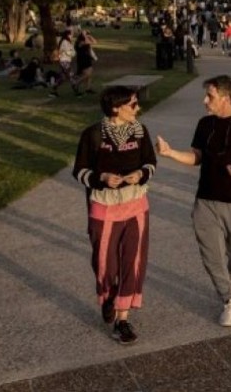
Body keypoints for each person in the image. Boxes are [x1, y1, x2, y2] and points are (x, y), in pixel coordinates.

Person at [155, 76, 231, 328]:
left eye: (210, 96)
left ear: (226, 98)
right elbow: (196, 157)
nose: (205, 100)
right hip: (205, 201)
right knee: (212, 256)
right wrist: (170, 153)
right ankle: (227, 299)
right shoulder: (205, 124)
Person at [71, 86, 157, 345]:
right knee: (105, 265)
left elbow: (150, 163)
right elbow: (79, 171)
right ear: (116, 108)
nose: (137, 108)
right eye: (133, 104)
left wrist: (140, 174)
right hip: (104, 207)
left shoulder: (140, 131)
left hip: (136, 205)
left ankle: (122, 320)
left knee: (133, 262)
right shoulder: (93, 134)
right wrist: (103, 178)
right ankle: (108, 296)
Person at [72, 30, 99, 96]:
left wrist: (89, 35)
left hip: (87, 59)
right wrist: (85, 36)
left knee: (88, 74)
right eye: (85, 34)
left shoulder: (85, 40)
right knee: (87, 74)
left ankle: (88, 88)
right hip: (82, 59)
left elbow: (95, 42)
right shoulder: (79, 42)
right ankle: (76, 83)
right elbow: (87, 42)